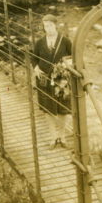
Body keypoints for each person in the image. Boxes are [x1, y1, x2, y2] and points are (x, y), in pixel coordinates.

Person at [31, 14, 72, 149]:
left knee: (63, 109)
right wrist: (36, 69)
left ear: (55, 25)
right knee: (48, 110)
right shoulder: (40, 42)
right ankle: (53, 138)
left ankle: (62, 137)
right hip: (44, 80)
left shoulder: (65, 41)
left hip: (61, 81)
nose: (47, 28)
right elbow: (34, 58)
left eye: (50, 25)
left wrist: (65, 68)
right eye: (45, 26)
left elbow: (72, 57)